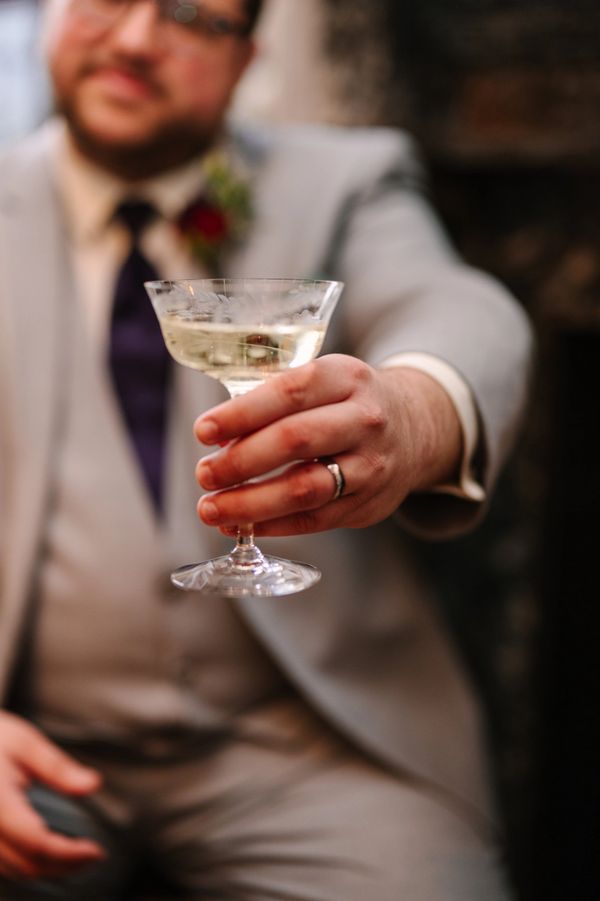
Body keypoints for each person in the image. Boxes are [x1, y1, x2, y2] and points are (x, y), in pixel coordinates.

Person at [0, 0, 533, 898]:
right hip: (35, 737)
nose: (135, 39)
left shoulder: (346, 182)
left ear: (246, 56)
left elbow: (463, 310)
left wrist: (414, 413)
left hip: (302, 743)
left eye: (190, 17)